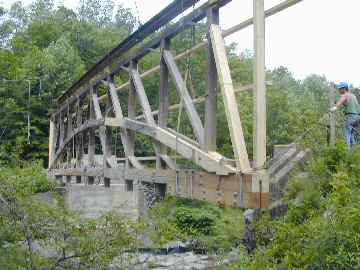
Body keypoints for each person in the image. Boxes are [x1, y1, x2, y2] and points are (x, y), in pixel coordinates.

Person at [330, 82, 360, 148]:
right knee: (351, 134)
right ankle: (353, 152)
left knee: (346, 134)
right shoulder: (353, 96)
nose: (339, 90)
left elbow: (341, 101)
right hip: (357, 117)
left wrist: (334, 108)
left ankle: (347, 152)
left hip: (350, 117)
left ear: (344, 88)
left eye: (340, 88)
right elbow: (358, 106)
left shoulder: (345, 95)